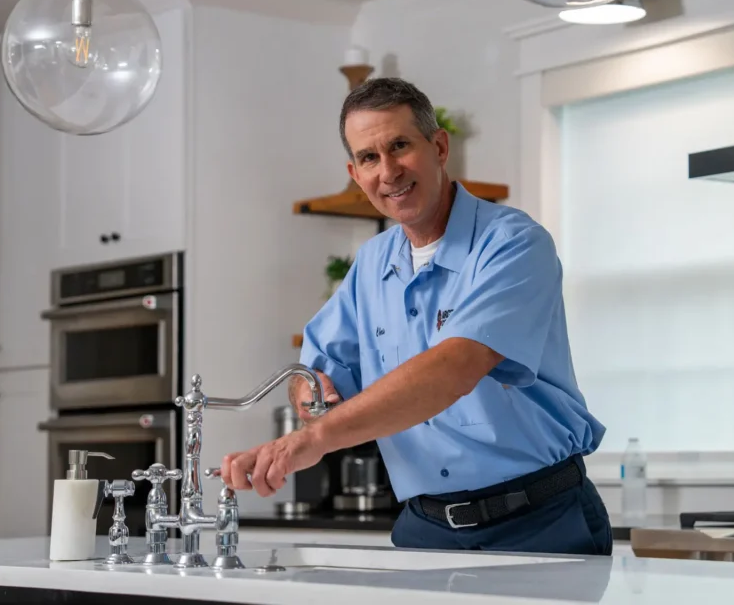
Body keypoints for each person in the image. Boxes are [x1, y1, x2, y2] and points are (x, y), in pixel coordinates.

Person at [220, 77, 611, 556]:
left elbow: (454, 368)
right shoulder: (371, 264)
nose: (387, 171)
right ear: (355, 172)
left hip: (540, 521)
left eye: (400, 146)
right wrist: (313, 395)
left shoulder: (513, 244)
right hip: (424, 529)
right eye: (368, 158)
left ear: (439, 146)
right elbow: (313, 371)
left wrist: (315, 438)